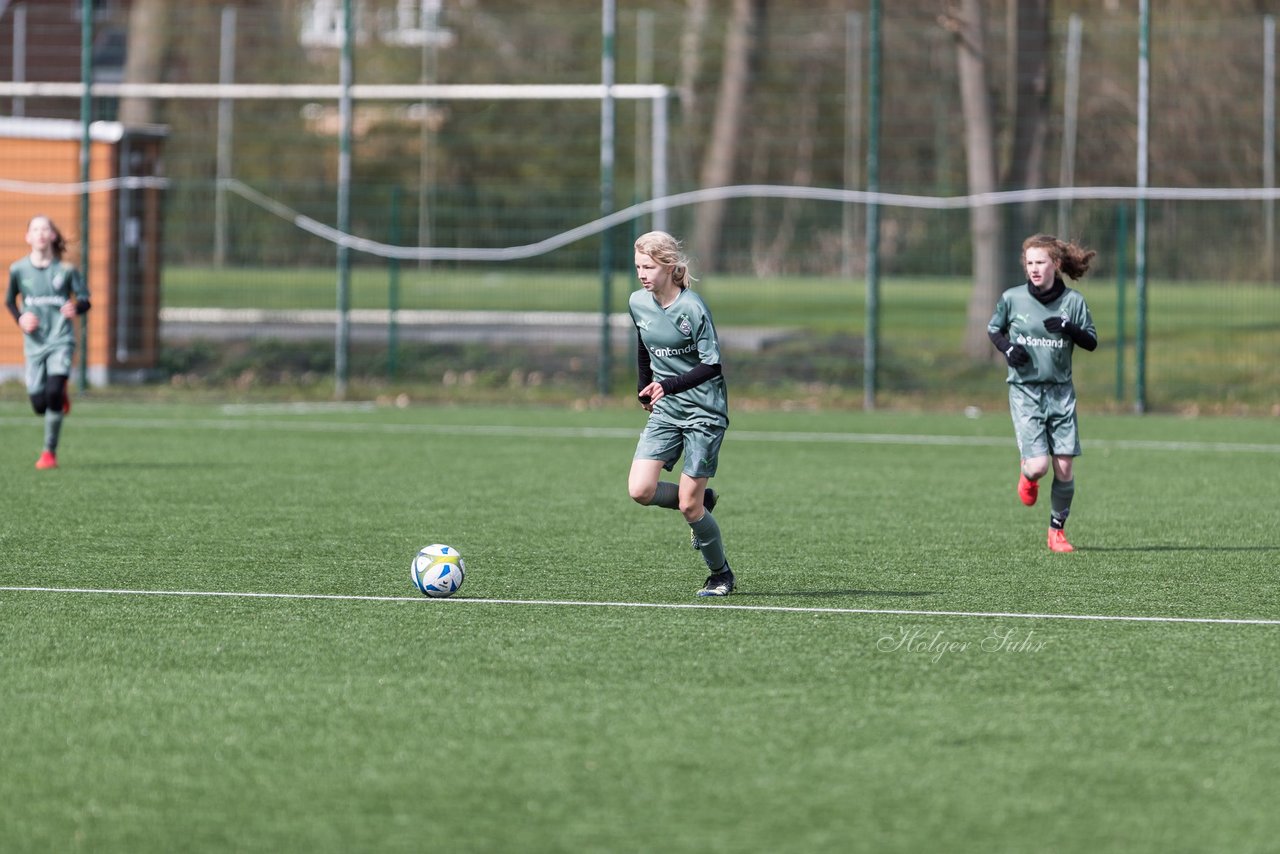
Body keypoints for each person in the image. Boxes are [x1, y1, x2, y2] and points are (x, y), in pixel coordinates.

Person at [626, 230, 734, 596]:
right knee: (640, 489)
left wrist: (667, 385)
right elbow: (644, 344)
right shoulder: (637, 302)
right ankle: (704, 501)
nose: (642, 273)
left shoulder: (693, 308)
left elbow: (712, 366)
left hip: (704, 413)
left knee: (689, 507)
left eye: (650, 267)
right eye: (638, 266)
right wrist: (645, 388)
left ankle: (720, 574)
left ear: (669, 267)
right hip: (666, 410)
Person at [987, 233, 1098, 553]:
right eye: (1030, 263)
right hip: (1025, 391)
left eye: (1041, 262)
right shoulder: (1013, 298)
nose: (1034, 268)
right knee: (1038, 466)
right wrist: (1008, 349)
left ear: (1057, 265)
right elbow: (994, 329)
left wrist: (1069, 328)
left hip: (1061, 393)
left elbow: (1091, 342)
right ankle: (1028, 475)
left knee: (1064, 467)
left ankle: (1056, 532)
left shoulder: (1073, 302)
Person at [6, 215, 91, 470]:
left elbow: (86, 300)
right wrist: (21, 319)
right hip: (34, 344)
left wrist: (75, 307)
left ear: (53, 236)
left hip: (61, 339)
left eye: (46, 229)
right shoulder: (18, 269)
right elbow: (10, 301)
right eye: (35, 229)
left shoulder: (66, 271)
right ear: (28, 237)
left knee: (53, 392)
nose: (41, 233)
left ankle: (48, 453)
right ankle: (56, 399)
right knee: (39, 404)